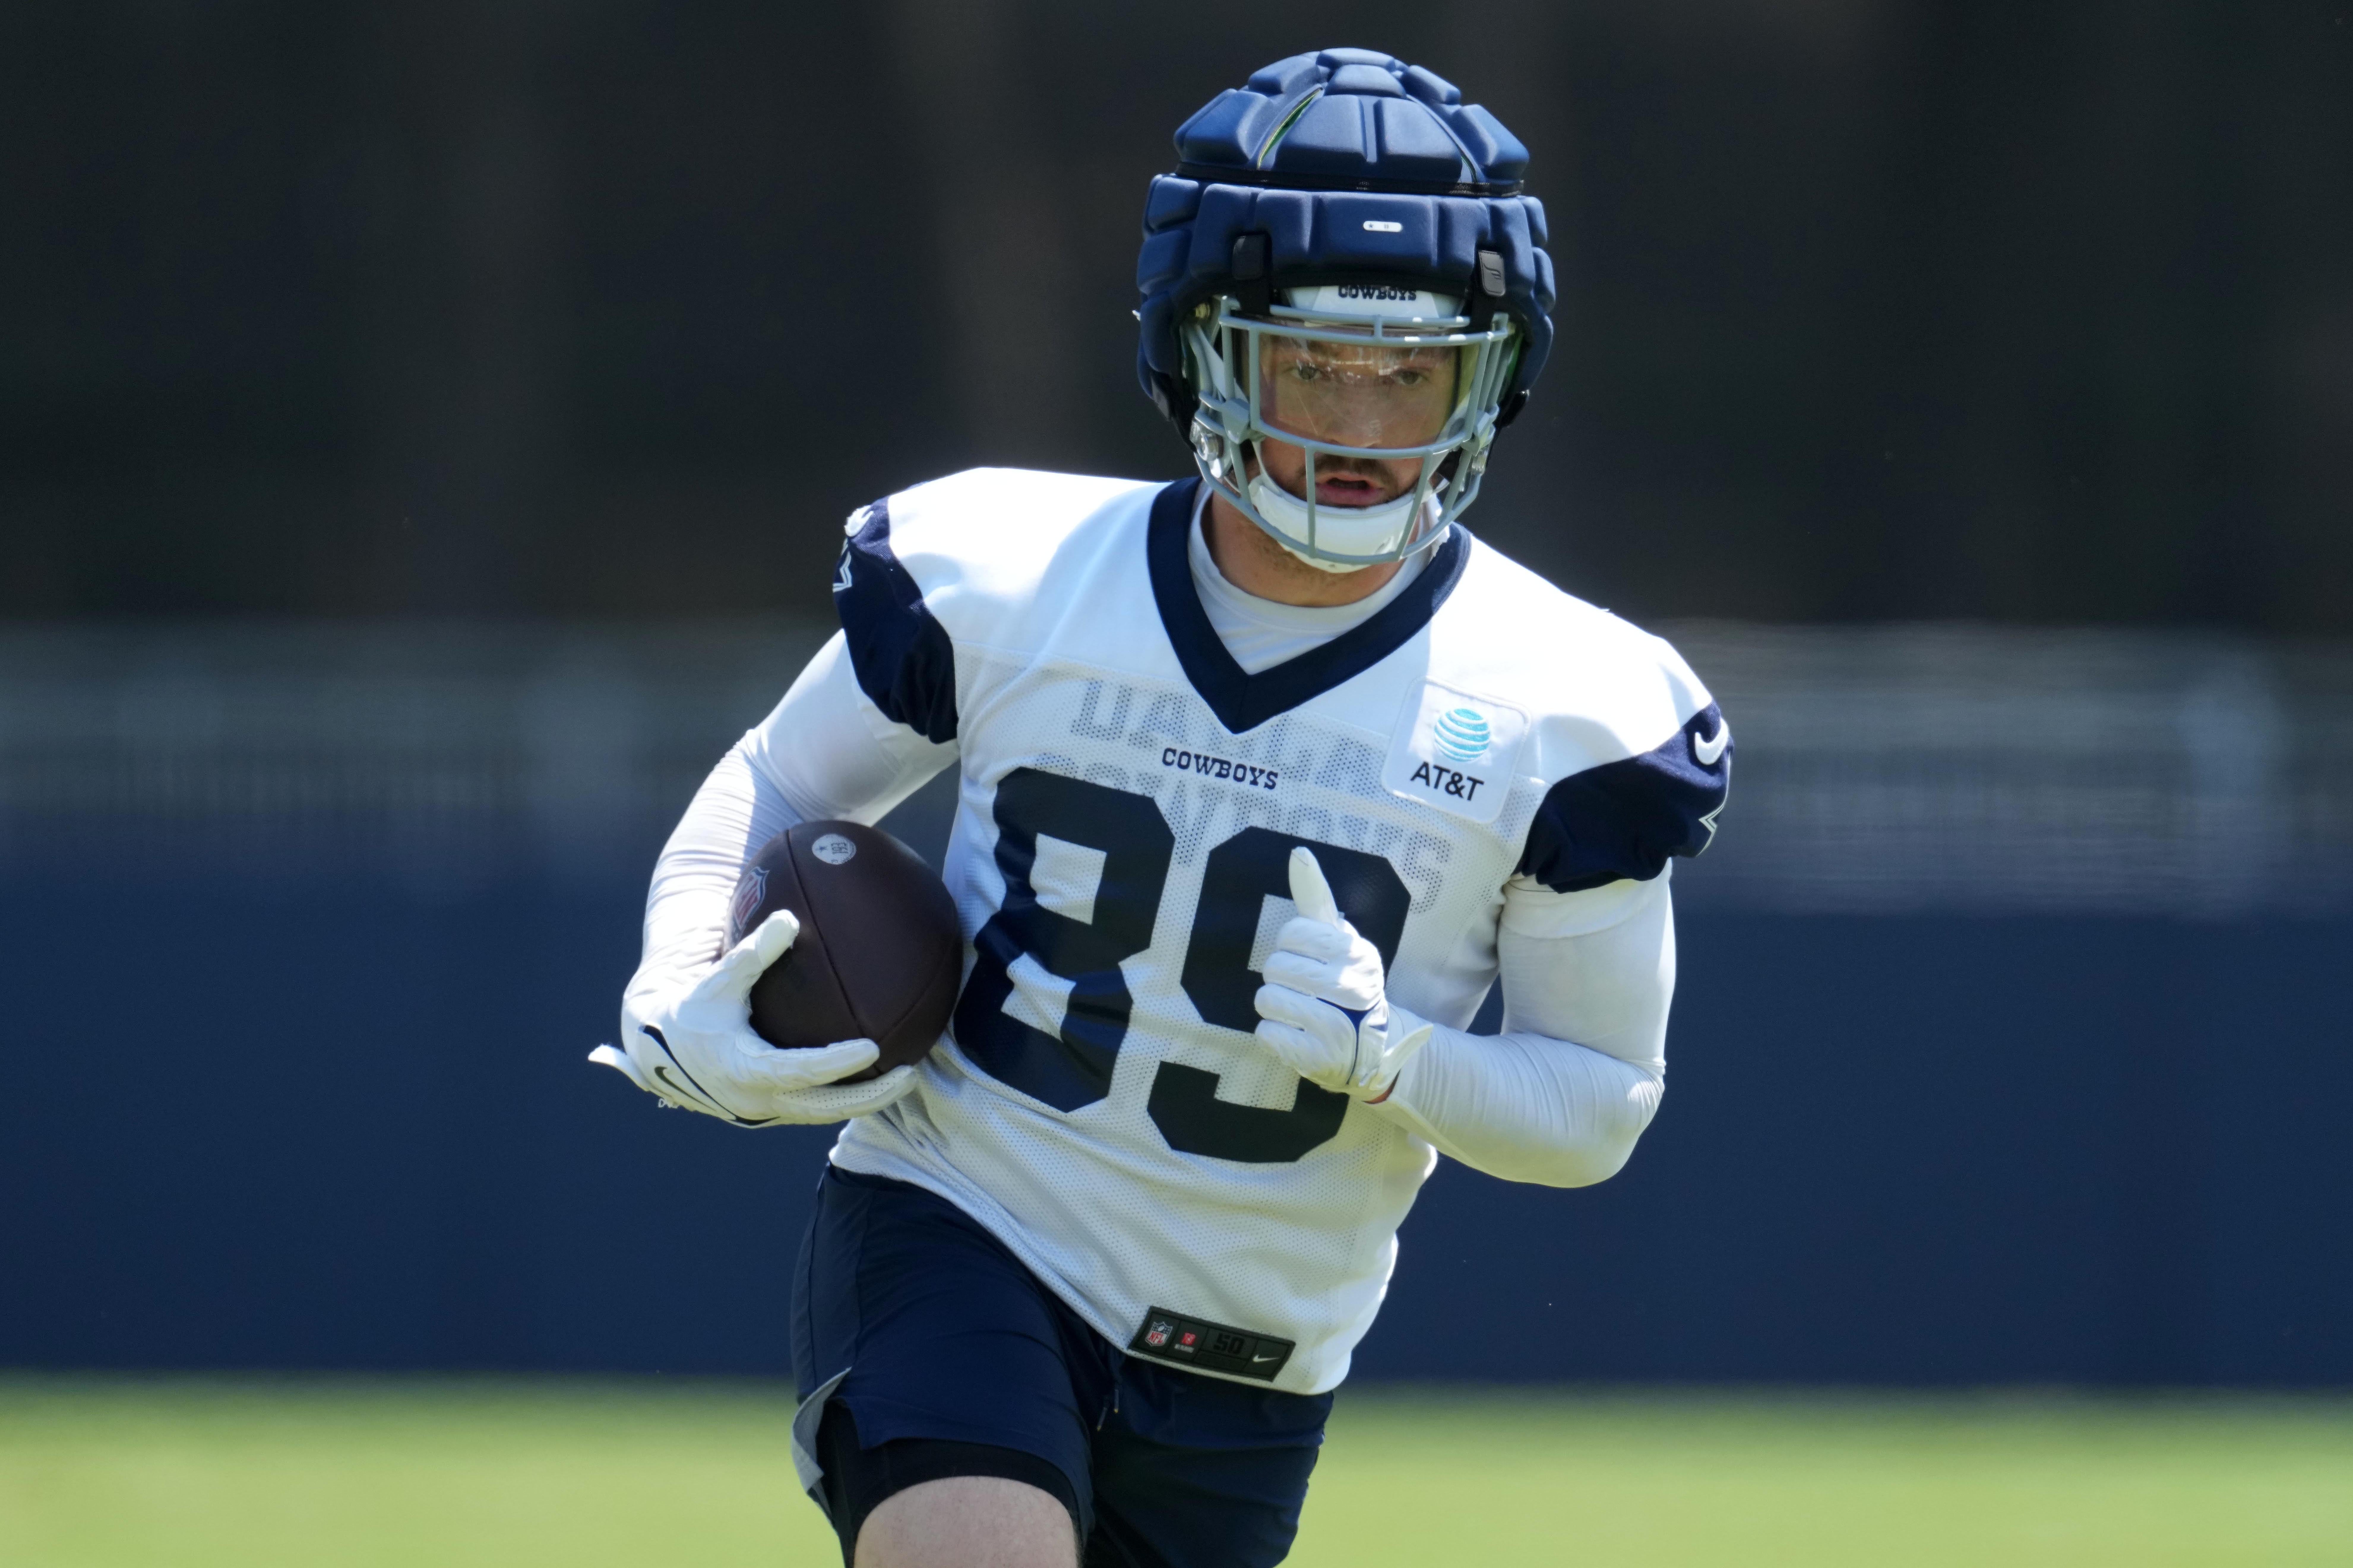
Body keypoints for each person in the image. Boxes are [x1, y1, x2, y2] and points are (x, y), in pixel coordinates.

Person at [592, 47, 1730, 1568]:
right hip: (967, 1223)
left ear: (1490, 376)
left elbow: (1597, 1100)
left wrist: (1400, 1063)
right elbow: (781, 777)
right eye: (1309, 360)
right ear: (1200, 349)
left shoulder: (1575, 703)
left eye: (1413, 369)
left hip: (1255, 1358)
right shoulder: (1007, 575)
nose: (1361, 420)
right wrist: (677, 980)